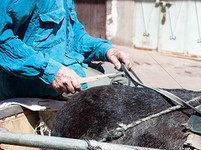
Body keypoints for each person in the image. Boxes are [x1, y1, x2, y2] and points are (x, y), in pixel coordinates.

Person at [0, 0, 132, 100]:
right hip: (30, 83)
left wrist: (106, 50)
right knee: (119, 95)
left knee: (123, 78)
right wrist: (50, 71)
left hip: (67, 69)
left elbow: (74, 36)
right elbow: (3, 40)